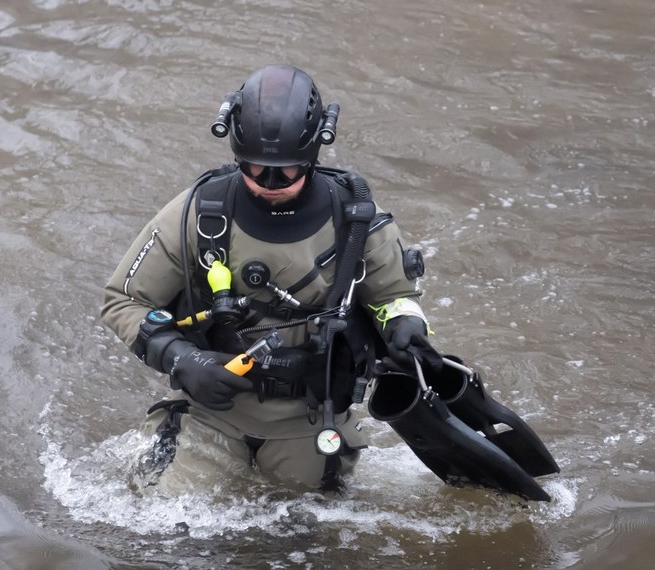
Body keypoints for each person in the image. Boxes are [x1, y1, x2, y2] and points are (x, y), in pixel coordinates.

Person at [100, 64, 442, 492]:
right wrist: (181, 358)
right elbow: (123, 300)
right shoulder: (198, 214)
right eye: (255, 169)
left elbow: (394, 296)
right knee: (165, 530)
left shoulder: (355, 223)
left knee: (306, 544)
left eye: (288, 170)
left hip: (312, 419)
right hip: (209, 414)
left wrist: (404, 324)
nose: (271, 182)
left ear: (314, 155)